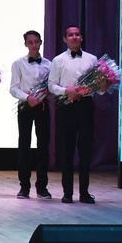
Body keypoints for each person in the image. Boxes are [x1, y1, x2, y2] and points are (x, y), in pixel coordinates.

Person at [47, 25, 99, 204]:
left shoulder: (92, 59)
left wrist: (98, 87)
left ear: (81, 37)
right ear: (65, 39)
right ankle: (67, 193)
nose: (74, 37)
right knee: (66, 150)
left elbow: (98, 86)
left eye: (77, 34)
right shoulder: (58, 60)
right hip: (66, 106)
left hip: (86, 105)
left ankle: (84, 192)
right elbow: (51, 85)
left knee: (86, 150)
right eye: (71, 35)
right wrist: (66, 91)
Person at [10, 30, 52, 199]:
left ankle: (42, 186)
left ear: (41, 42)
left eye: (36, 41)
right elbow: (13, 88)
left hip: (43, 106)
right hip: (25, 106)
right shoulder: (18, 63)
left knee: (43, 145)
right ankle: (24, 186)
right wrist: (28, 98)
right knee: (24, 145)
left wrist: (47, 94)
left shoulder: (49, 64)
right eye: (30, 42)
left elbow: (52, 87)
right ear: (26, 44)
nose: (34, 45)